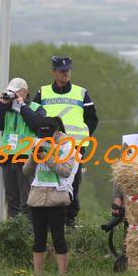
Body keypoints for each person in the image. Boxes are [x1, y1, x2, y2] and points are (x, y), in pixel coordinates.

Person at [32, 55, 98, 227]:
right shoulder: (43, 92)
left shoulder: (81, 93)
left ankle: (69, 220)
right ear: (53, 72)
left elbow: (92, 119)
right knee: (47, 179)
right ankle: (47, 218)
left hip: (75, 147)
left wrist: (85, 136)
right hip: (49, 145)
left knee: (72, 182)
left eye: (68, 70)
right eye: (61, 71)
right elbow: (34, 117)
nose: (65, 74)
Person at [23, 116, 78, 275]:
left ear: (56, 132)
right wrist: (33, 158)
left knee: (58, 238)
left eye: (48, 135)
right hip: (37, 195)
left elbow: (65, 171)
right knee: (38, 238)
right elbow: (26, 171)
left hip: (57, 196)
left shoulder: (68, 146)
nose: (44, 138)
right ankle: (37, 275)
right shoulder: (37, 141)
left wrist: (48, 158)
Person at [0, 77, 46, 220]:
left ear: (25, 92)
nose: (13, 95)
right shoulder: (6, 109)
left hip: (25, 158)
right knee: (11, 198)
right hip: (7, 157)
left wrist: (22, 106)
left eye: (16, 92)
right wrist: (2, 103)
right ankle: (13, 231)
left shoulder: (35, 108)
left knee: (26, 198)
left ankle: (28, 231)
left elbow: (35, 124)